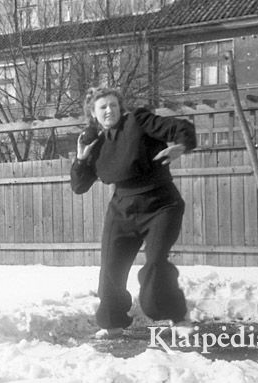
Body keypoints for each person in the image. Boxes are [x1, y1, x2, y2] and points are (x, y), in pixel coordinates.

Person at [70, 87, 197, 338]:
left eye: (113, 105)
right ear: (93, 115)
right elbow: (79, 185)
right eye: (103, 107)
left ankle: (178, 316)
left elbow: (181, 127)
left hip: (160, 203)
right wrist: (81, 158)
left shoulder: (139, 120)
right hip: (122, 209)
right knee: (110, 268)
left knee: (155, 263)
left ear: (121, 107)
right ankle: (113, 321)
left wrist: (181, 146)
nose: (109, 110)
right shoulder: (96, 145)